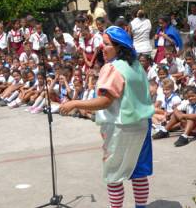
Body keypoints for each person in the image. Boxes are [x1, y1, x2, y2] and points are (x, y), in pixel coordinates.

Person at [60, 26, 154, 208]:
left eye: (106, 44)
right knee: (139, 172)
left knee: (113, 175)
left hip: (121, 127)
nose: (102, 47)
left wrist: (75, 103)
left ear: (119, 47)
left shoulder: (112, 68)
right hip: (142, 125)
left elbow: (105, 101)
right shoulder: (136, 66)